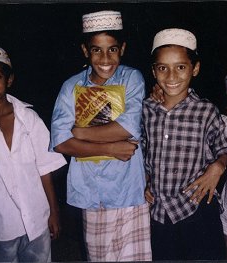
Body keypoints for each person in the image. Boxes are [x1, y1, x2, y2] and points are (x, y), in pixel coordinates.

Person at [49, 10, 151, 262]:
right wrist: (111, 149)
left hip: (129, 190)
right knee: (100, 257)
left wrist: (80, 133)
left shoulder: (132, 78)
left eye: (112, 49)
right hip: (91, 189)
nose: (105, 58)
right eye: (97, 50)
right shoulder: (71, 86)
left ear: (122, 48)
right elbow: (61, 142)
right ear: (85, 51)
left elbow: (127, 128)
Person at [142, 28, 227, 260]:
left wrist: (218, 167)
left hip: (197, 208)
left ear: (195, 69)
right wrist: (147, 179)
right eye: (163, 68)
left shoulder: (206, 110)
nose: (171, 76)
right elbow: (142, 151)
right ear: (154, 71)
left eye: (180, 67)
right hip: (158, 212)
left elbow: (223, 147)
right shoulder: (146, 109)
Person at [0, 45, 66, 262]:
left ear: (9, 80)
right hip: (0, 225)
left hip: (37, 219)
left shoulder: (29, 118)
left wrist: (54, 212)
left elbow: (44, 169)